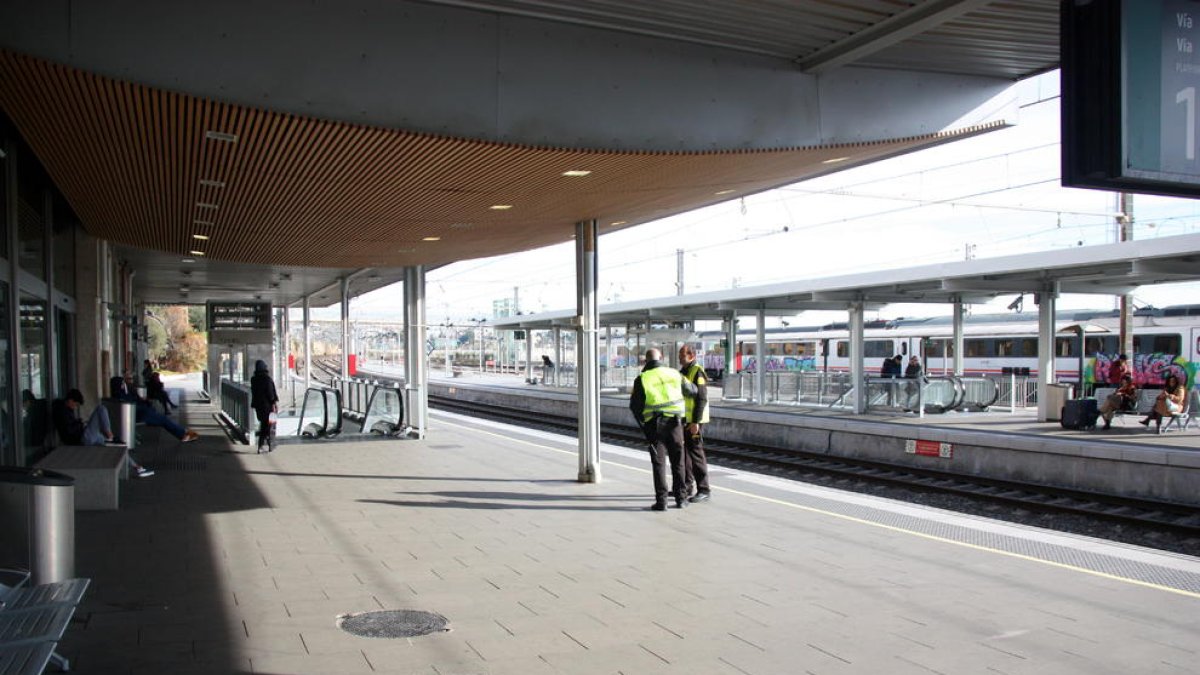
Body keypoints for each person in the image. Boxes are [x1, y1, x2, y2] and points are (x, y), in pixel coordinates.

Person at [629, 348, 696, 511]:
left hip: (654, 425)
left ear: (646, 361)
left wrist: (644, 423)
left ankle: (662, 501)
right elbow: (692, 390)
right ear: (662, 358)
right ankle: (681, 499)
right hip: (675, 424)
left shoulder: (642, 378)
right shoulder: (674, 374)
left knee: (659, 463)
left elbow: (634, 406)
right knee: (678, 461)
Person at [53, 389, 153, 477]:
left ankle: (137, 467)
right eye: (75, 404)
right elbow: (70, 431)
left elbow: (72, 426)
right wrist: (80, 424)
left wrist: (81, 424)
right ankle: (110, 435)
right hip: (82, 438)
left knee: (117, 446)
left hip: (84, 436)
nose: (75, 407)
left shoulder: (66, 410)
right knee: (101, 409)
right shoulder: (62, 412)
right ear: (70, 400)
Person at [111, 373, 200, 443]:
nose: (125, 384)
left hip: (141, 413)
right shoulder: (122, 396)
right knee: (163, 420)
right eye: (123, 382)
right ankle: (183, 434)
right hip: (140, 415)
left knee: (163, 419)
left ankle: (183, 432)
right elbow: (133, 404)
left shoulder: (122, 394)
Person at [678, 345, 711, 503]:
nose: (680, 358)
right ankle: (686, 486)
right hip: (685, 420)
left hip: (695, 421)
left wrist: (695, 422)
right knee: (685, 454)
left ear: (691, 355)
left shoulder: (697, 371)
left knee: (696, 454)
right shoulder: (683, 371)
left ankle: (704, 489)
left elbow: (701, 398)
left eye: (682, 355)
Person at [250, 359, 279, 453]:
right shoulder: (267, 379)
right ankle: (266, 444)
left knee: (264, 424)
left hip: (258, 407)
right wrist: (274, 402)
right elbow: (271, 393)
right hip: (268, 407)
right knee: (270, 425)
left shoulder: (254, 380)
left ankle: (265, 444)